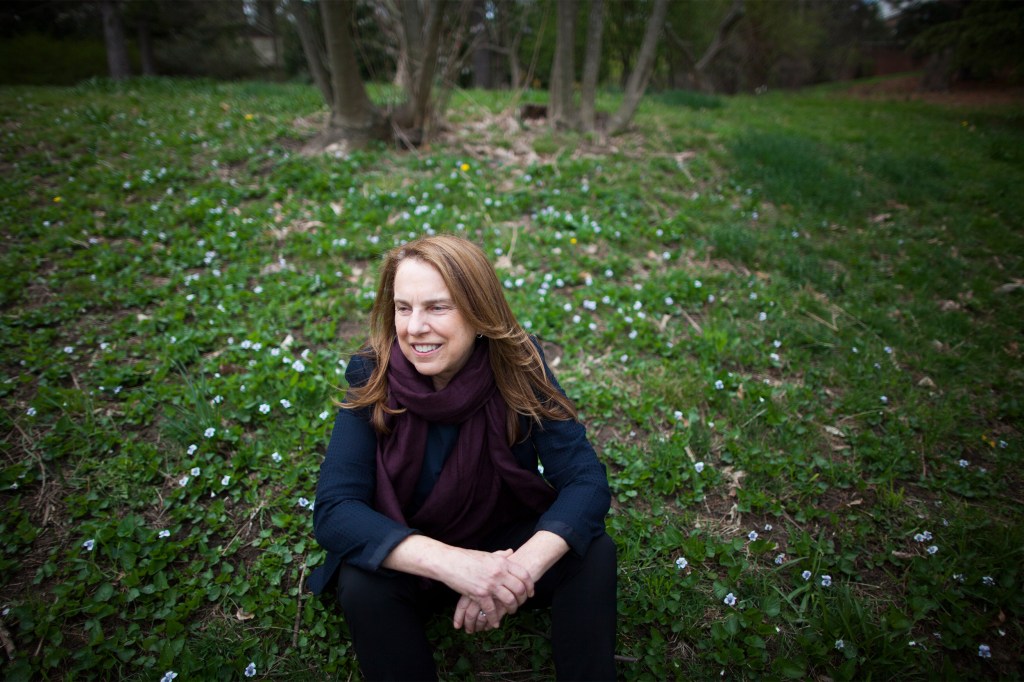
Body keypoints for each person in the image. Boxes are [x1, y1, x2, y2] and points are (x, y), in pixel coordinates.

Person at [307, 235, 616, 681]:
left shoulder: (518, 365)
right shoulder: (371, 372)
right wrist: (456, 565)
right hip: (410, 549)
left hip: (500, 537)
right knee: (362, 585)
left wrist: (513, 572)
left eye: (437, 307)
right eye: (403, 307)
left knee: (593, 552)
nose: (414, 328)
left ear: (479, 313)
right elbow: (336, 509)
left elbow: (585, 481)